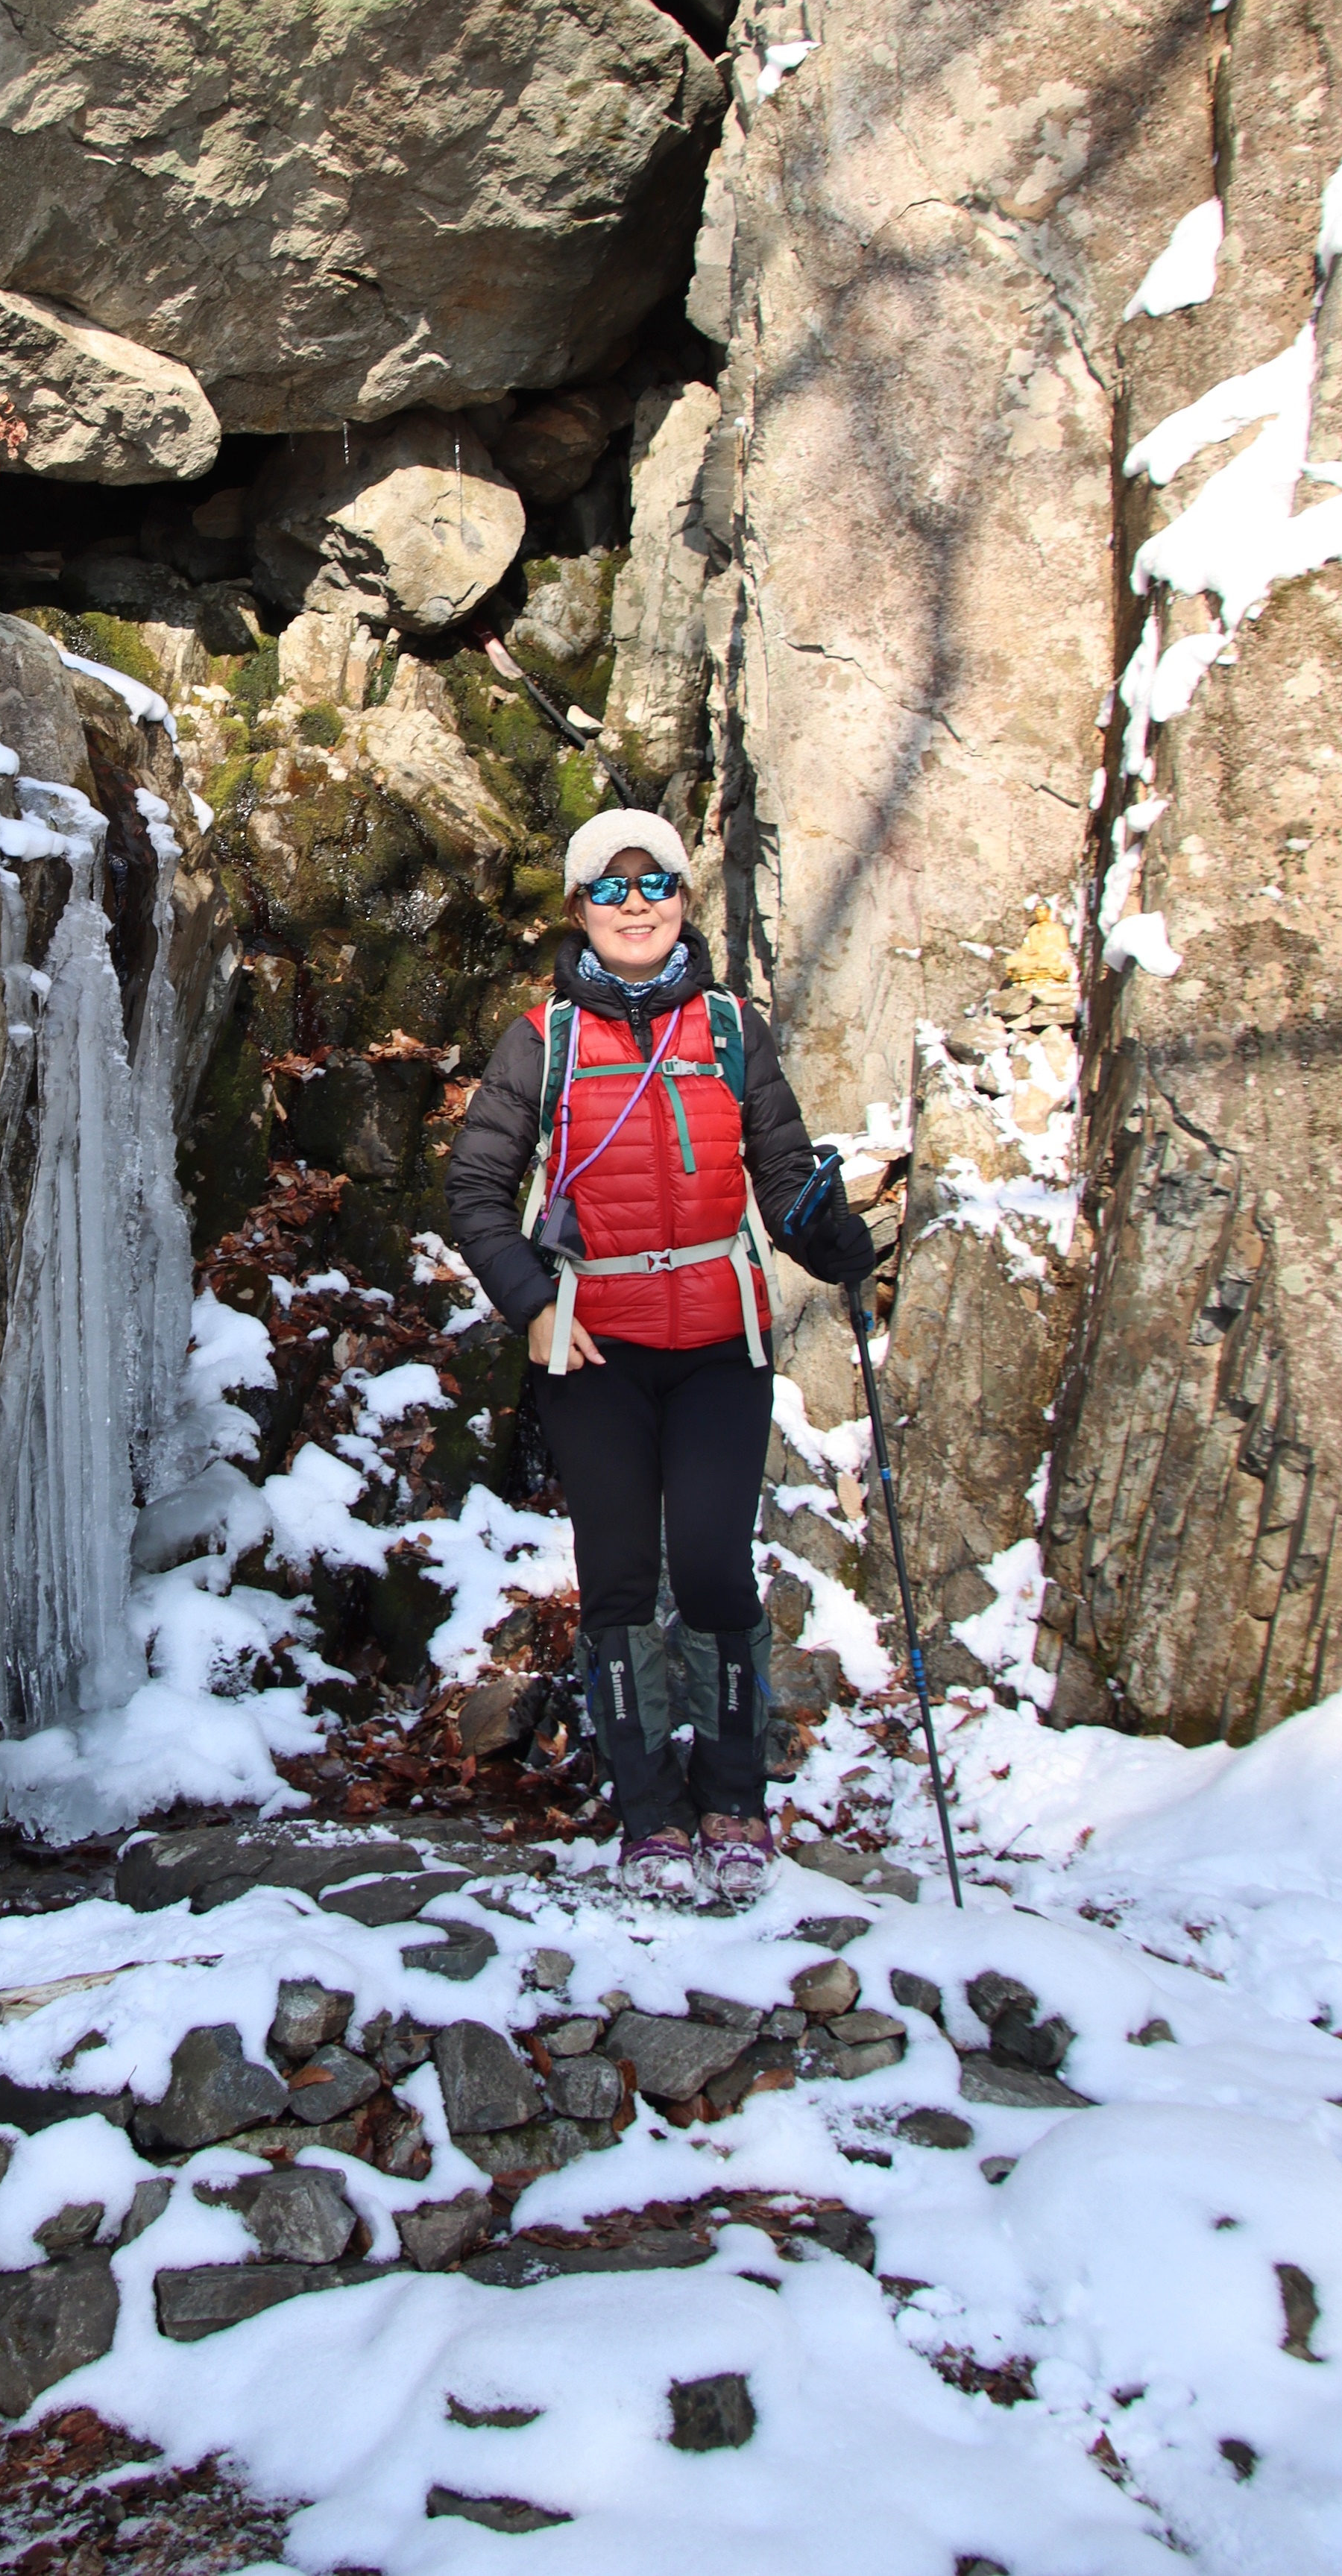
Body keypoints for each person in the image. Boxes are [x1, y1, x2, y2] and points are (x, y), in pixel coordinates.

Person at [444, 806, 874, 1905]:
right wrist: (535, 1305)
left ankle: (732, 1797)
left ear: (684, 898)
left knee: (720, 1570)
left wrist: (827, 1234)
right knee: (624, 1579)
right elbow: (476, 1191)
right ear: (579, 908)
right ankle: (650, 1811)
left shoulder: (732, 1031)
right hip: (595, 1352)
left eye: (656, 885)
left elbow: (782, 1175)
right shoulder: (541, 1043)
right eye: (610, 887)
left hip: (722, 1346)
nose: (635, 906)